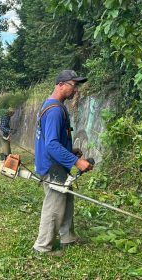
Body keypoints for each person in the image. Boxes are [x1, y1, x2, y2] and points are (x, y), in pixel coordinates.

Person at [33, 70, 92, 256]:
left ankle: (67, 237)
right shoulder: (55, 111)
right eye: (73, 86)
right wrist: (76, 161)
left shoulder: (51, 105)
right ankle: (42, 247)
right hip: (53, 166)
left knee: (66, 198)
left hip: (53, 163)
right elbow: (51, 145)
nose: (76, 91)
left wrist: (70, 150)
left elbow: (53, 140)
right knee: (54, 205)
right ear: (61, 85)